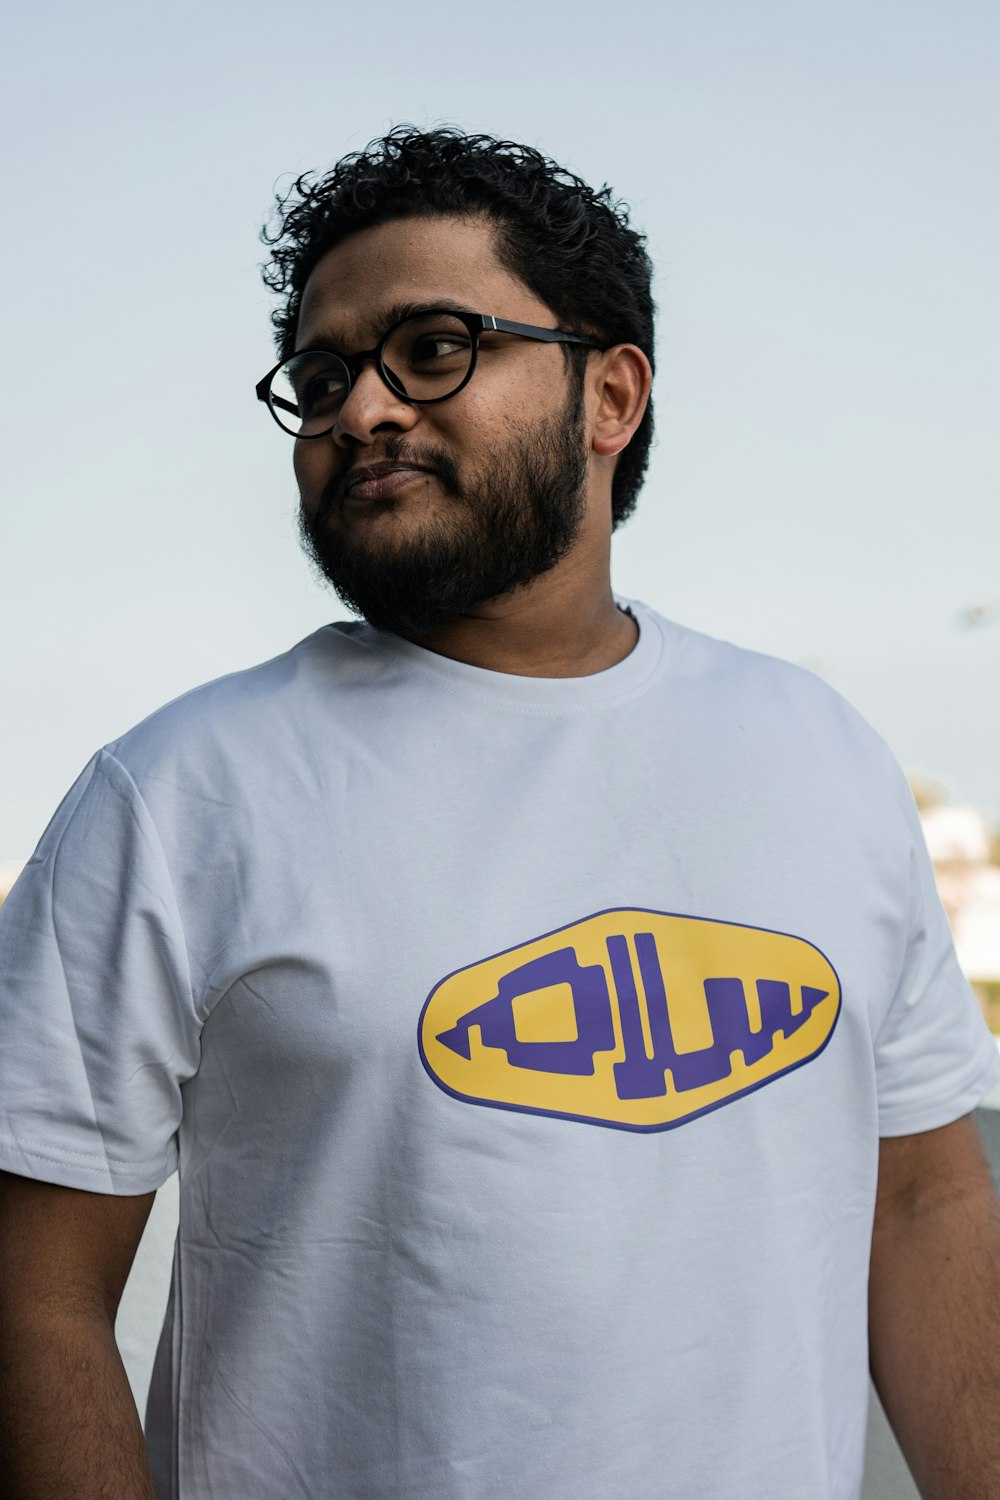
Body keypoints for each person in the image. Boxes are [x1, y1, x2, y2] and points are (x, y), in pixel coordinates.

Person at [1, 126, 999, 1500]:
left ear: (612, 395)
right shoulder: (176, 795)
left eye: (432, 348)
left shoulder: (820, 755)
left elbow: (922, 1199)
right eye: (323, 375)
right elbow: (34, 1298)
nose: (360, 408)